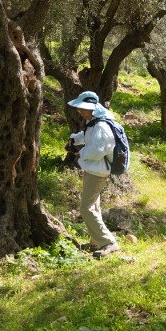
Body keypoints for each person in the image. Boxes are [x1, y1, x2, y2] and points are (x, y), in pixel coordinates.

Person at [66, 91, 119, 258]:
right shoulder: (94, 123)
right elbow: (87, 136)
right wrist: (74, 140)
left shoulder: (102, 126)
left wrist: (79, 153)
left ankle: (108, 242)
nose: (80, 111)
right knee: (94, 207)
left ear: (93, 109)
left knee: (86, 208)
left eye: (83, 108)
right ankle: (96, 242)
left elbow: (98, 149)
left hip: (98, 171)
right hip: (93, 169)